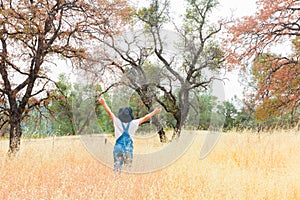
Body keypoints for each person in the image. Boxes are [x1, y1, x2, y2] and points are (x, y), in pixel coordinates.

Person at [98, 96, 162, 173]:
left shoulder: (117, 122)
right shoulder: (134, 123)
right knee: (128, 169)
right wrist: (155, 112)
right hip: (128, 148)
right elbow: (146, 117)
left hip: (118, 148)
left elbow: (109, 113)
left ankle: (116, 181)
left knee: (117, 168)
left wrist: (104, 103)